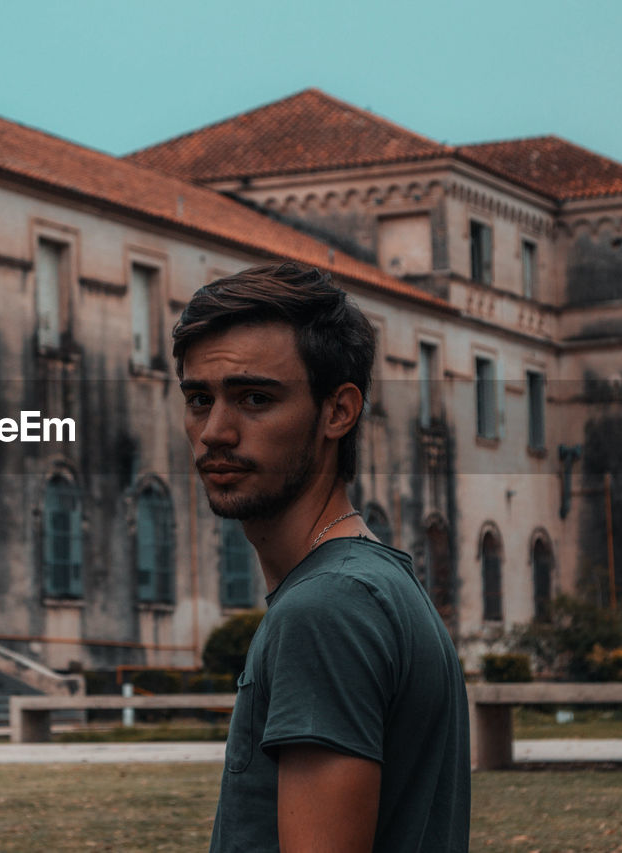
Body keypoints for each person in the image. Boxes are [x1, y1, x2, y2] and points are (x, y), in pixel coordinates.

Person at [173, 262, 470, 852]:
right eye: (200, 399)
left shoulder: (327, 609)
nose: (215, 431)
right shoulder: (373, 583)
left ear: (339, 411)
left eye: (255, 398)